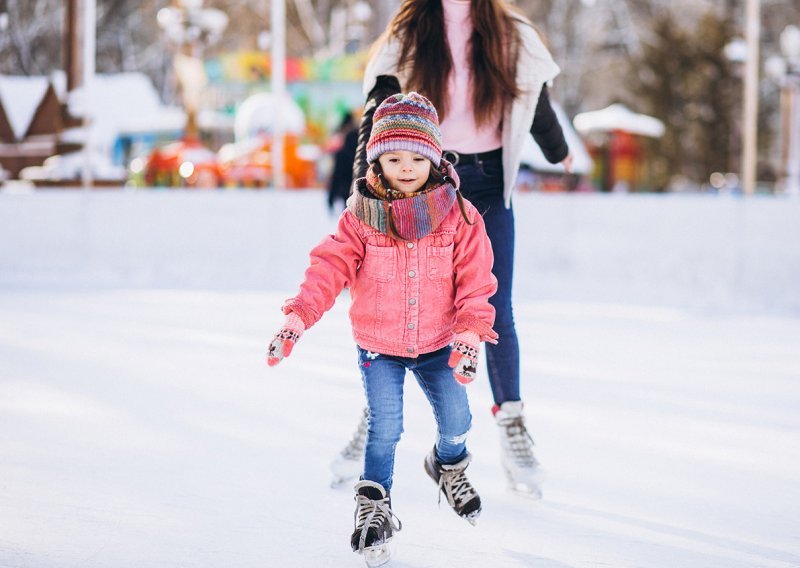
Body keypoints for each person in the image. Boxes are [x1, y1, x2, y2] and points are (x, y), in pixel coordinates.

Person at [330, 0, 574, 498]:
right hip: (419, 182)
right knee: (398, 303)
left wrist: (558, 150)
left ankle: (512, 424)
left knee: (494, 306)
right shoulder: (409, 30)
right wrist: (364, 185)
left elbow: (536, 97)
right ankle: (374, 416)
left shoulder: (510, 31)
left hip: (485, 181)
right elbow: (377, 111)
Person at [266, 92, 498, 564]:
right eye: (393, 158)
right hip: (380, 346)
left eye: (417, 157)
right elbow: (328, 268)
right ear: (376, 159)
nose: (406, 167)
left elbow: (476, 279)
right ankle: (374, 507)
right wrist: (298, 317)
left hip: (440, 343)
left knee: (459, 421)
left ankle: (448, 465)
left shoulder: (460, 217)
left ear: (433, 159)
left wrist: (471, 330)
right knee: (385, 427)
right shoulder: (360, 217)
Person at [327, 111, 359, 214]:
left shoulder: (341, 153)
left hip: (344, 187)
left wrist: (331, 198)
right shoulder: (360, 155)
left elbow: (336, 176)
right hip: (354, 187)